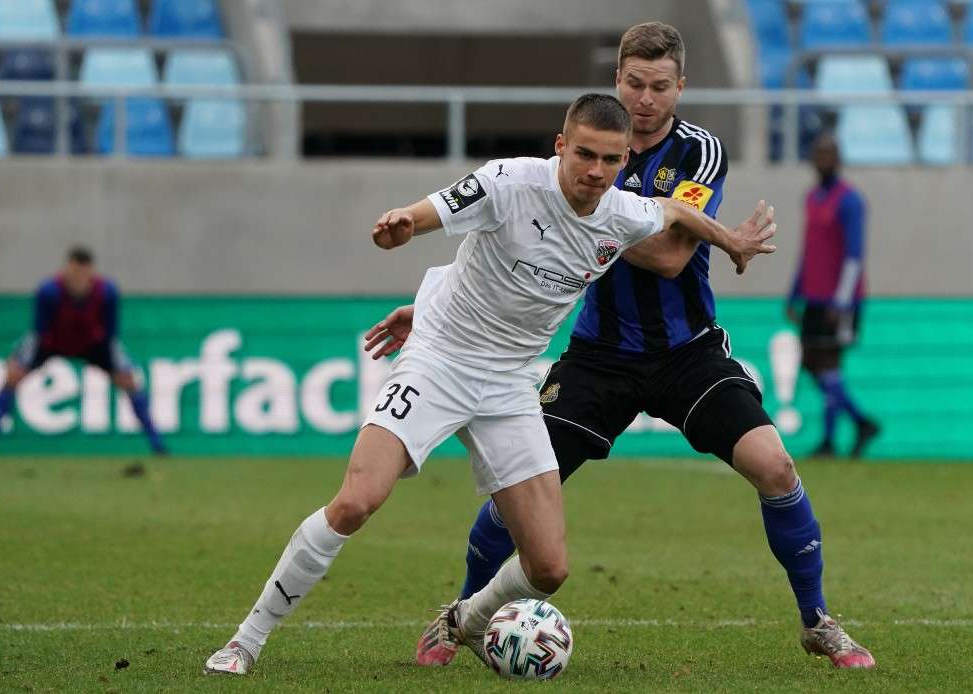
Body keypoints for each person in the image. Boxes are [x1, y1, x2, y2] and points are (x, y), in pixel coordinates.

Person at [203, 93, 777, 676]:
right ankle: (245, 641)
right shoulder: (508, 182)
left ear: (624, 159)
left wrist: (729, 240)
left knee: (549, 567)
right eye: (583, 154)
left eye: (609, 160)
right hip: (441, 361)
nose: (595, 171)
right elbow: (426, 213)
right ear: (560, 145)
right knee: (357, 499)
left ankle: (465, 622)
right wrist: (400, 227)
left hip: (508, 384)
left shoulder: (623, 213)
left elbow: (676, 214)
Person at [366, 23, 875, 670]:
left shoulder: (698, 153)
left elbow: (666, 256)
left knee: (775, 467)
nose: (645, 99)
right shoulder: (589, 148)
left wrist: (591, 209)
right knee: (513, 495)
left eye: (660, 86)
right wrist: (440, 306)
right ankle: (462, 614)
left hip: (687, 352)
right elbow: (523, 236)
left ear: (680, 88)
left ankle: (817, 621)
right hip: (599, 356)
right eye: (635, 83)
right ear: (618, 82)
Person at [0, 246, 167, 455]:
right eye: (74, 272)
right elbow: (37, 332)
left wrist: (120, 365)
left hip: (93, 344)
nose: (78, 279)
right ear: (67, 269)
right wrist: (19, 361)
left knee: (130, 380)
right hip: (52, 342)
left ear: (91, 273)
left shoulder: (107, 293)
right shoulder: (49, 291)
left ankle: (157, 444)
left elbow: (112, 335)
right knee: (12, 376)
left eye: (83, 273)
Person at [786, 133, 880, 459]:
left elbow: (855, 255)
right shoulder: (812, 198)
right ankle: (859, 422)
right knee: (814, 365)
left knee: (829, 364)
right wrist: (794, 293)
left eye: (829, 156)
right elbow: (808, 251)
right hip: (813, 296)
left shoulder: (850, 201)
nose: (823, 162)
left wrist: (842, 301)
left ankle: (831, 439)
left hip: (839, 301)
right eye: (819, 155)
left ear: (839, 161)